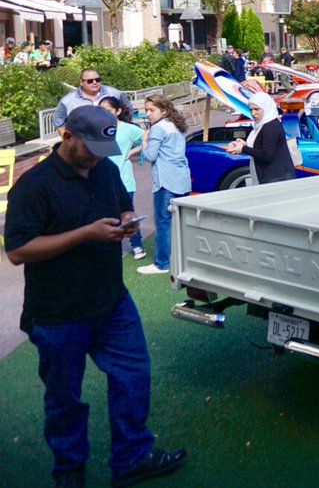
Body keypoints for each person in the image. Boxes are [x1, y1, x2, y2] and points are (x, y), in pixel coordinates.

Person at [4, 105, 188, 488]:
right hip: (58, 313)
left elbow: (122, 204)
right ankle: (69, 469)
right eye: (89, 149)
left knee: (133, 377)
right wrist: (85, 234)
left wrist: (125, 221)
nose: (95, 159)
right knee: (64, 398)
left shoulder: (103, 168)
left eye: (103, 151)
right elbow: (18, 251)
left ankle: (132, 457)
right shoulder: (34, 185)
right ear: (65, 136)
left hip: (111, 301)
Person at [136, 95, 191, 276]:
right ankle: (181, 259)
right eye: (147, 110)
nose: (148, 114)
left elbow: (151, 156)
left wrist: (144, 143)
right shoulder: (176, 126)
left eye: (152, 110)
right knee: (179, 222)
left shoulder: (158, 128)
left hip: (165, 181)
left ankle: (162, 263)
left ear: (164, 110)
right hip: (182, 178)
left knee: (163, 223)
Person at [99, 96, 147, 260]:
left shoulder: (128, 129)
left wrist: (133, 152)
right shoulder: (98, 129)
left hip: (124, 181)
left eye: (108, 110)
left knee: (127, 214)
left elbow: (147, 137)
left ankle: (137, 245)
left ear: (118, 111)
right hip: (103, 181)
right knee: (108, 217)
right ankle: (113, 248)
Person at [226, 93, 295, 186]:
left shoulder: (270, 127)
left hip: (276, 180)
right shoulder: (262, 124)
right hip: (272, 178)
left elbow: (266, 155)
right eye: (251, 109)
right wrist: (245, 145)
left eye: (256, 109)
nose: (253, 113)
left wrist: (243, 149)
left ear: (265, 108)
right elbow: (261, 146)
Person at [52, 68, 131, 131]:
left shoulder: (114, 93)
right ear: (81, 82)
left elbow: (128, 110)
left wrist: (124, 130)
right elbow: (58, 120)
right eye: (90, 81)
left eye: (97, 80)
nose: (94, 82)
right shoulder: (68, 100)